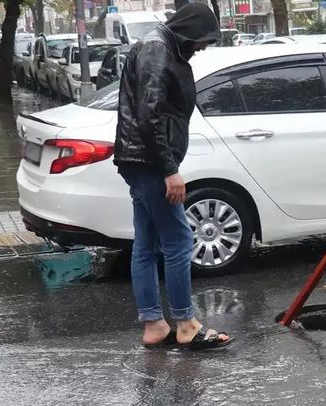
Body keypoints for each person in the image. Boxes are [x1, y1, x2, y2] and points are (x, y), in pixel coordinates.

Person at [114, 2, 233, 351]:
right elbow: (149, 113)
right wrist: (169, 169)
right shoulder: (157, 49)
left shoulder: (163, 46)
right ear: (189, 30)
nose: (203, 47)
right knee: (179, 241)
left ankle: (154, 324)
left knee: (147, 243)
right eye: (203, 40)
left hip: (140, 159)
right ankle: (186, 323)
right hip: (150, 162)